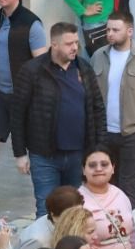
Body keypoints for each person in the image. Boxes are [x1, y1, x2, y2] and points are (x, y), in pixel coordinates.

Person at [9, 22, 107, 218]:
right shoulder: (32, 70)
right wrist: (20, 153)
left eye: (76, 43)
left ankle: (73, 247)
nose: (74, 48)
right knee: (46, 208)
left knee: (76, 209)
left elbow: (97, 108)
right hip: (44, 154)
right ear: (54, 44)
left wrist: (99, 148)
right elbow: (17, 112)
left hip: (79, 154)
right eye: (68, 43)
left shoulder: (83, 68)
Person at [0, 0, 47, 205]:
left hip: (24, 95)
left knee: (35, 143)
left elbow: (42, 63)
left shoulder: (31, 23)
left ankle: (43, 187)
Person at [91, 11, 135, 204]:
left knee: (128, 188)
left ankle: (127, 229)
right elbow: (89, 94)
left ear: (129, 31)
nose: (110, 33)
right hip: (104, 134)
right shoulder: (99, 56)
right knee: (104, 185)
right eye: (108, 29)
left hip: (132, 134)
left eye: (116, 29)